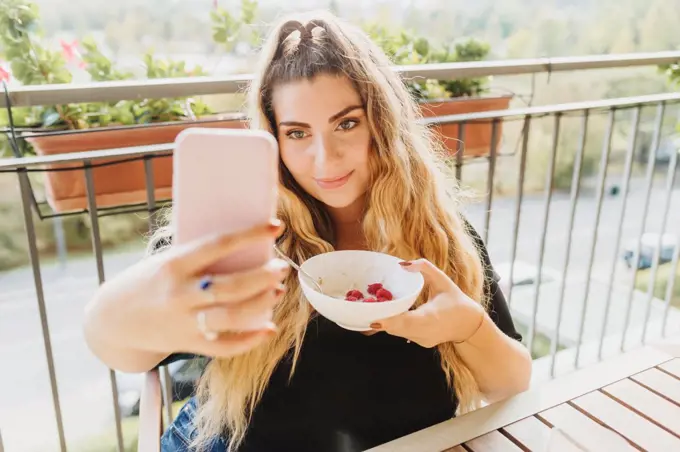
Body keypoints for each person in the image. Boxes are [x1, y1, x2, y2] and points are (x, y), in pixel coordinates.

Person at [83, 11, 532, 452]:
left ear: (384, 124)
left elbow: (511, 384)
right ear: (274, 138)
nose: (325, 159)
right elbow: (121, 350)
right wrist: (112, 316)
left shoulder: (439, 236)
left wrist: (467, 327)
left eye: (347, 123)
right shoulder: (248, 235)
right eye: (297, 133)